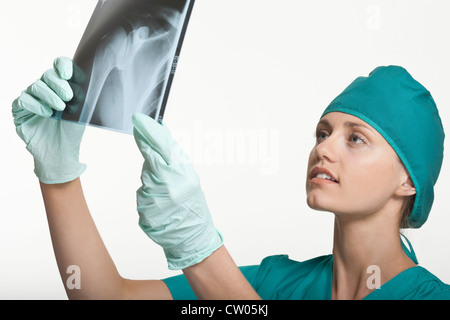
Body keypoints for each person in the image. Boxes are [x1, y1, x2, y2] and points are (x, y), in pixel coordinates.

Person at [12, 57, 450, 300]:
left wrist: (200, 251)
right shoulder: (278, 282)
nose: (324, 148)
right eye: (323, 132)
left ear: (408, 180)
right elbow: (108, 299)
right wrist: (58, 175)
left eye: (356, 139)